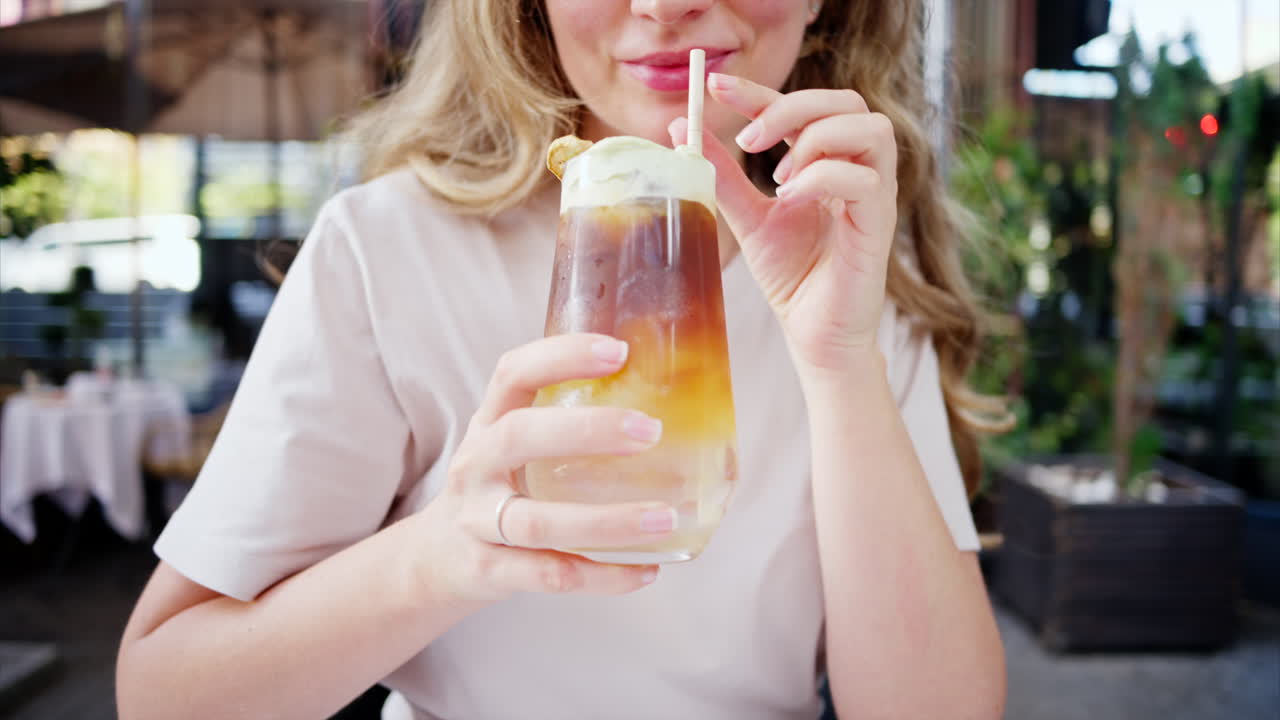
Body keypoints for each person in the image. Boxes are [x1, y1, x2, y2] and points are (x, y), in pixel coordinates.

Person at [117, 1, 1009, 718]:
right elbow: (165, 692)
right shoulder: (388, 251)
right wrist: (446, 549)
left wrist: (839, 359)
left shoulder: (850, 262)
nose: (667, 7)